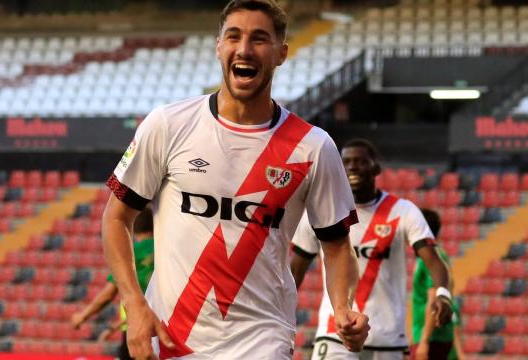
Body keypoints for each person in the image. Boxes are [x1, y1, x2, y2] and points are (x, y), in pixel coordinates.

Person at [101, 1, 370, 359]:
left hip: (262, 340)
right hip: (170, 337)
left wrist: (343, 306)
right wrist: (134, 305)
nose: (244, 49)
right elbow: (117, 217)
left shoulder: (313, 147)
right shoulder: (169, 124)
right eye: (234, 37)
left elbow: (336, 245)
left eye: (259, 39)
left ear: (281, 53)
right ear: (218, 47)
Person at [291, 138, 452, 360]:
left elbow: (433, 260)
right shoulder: (321, 211)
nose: (352, 167)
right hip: (335, 333)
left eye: (360, 161)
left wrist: (443, 294)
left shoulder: (403, 211)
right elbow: (295, 271)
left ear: (376, 167)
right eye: (346, 162)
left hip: (387, 339)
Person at [72, 208, 154, 360]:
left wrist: (82, 316)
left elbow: (109, 293)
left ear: (133, 226)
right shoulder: (165, 250)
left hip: (137, 328)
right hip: (166, 326)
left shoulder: (132, 252)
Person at [411, 209, 465, 360]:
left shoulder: (432, 259)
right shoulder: (432, 256)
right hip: (432, 336)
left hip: (434, 337)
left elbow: (433, 300)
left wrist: (424, 341)